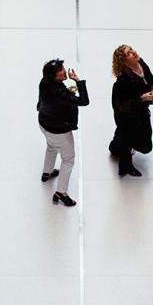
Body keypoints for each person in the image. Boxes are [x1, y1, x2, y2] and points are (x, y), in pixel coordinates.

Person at [37, 58, 89, 206]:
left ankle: (47, 172)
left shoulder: (44, 82)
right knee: (68, 159)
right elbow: (84, 101)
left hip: (44, 123)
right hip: (59, 131)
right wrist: (78, 81)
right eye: (60, 70)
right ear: (53, 76)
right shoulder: (60, 92)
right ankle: (61, 192)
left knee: (51, 147)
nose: (64, 71)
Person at [109, 45, 153, 177]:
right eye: (129, 53)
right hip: (127, 114)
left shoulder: (140, 62)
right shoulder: (123, 81)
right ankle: (126, 165)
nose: (133, 52)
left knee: (145, 144)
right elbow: (123, 105)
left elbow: (150, 78)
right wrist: (141, 99)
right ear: (124, 61)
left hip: (140, 110)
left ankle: (116, 146)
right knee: (129, 137)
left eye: (132, 49)